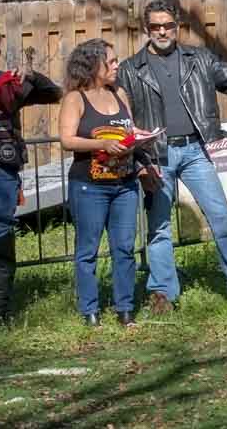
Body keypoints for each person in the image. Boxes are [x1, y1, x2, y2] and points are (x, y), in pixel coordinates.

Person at [119, 0, 227, 313]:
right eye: (155, 27)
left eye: (168, 25)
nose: (162, 31)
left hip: (195, 151)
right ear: (146, 29)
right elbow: (119, 118)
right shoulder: (130, 70)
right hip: (156, 156)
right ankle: (163, 292)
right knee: (159, 227)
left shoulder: (199, 59)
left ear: (178, 26)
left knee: (221, 217)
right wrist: (138, 161)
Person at [0, 25, 63, 326]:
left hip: (1, 173)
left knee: (1, 235)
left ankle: (0, 309)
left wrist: (31, 76)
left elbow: (54, 94)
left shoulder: (8, 82)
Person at [56, 39, 150, 328]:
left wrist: (140, 137)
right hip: (89, 186)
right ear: (92, 65)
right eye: (110, 61)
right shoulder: (75, 99)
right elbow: (67, 140)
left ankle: (125, 309)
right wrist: (102, 144)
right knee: (88, 250)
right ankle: (90, 311)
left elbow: (129, 129)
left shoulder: (119, 93)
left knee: (125, 247)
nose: (116, 65)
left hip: (125, 184)